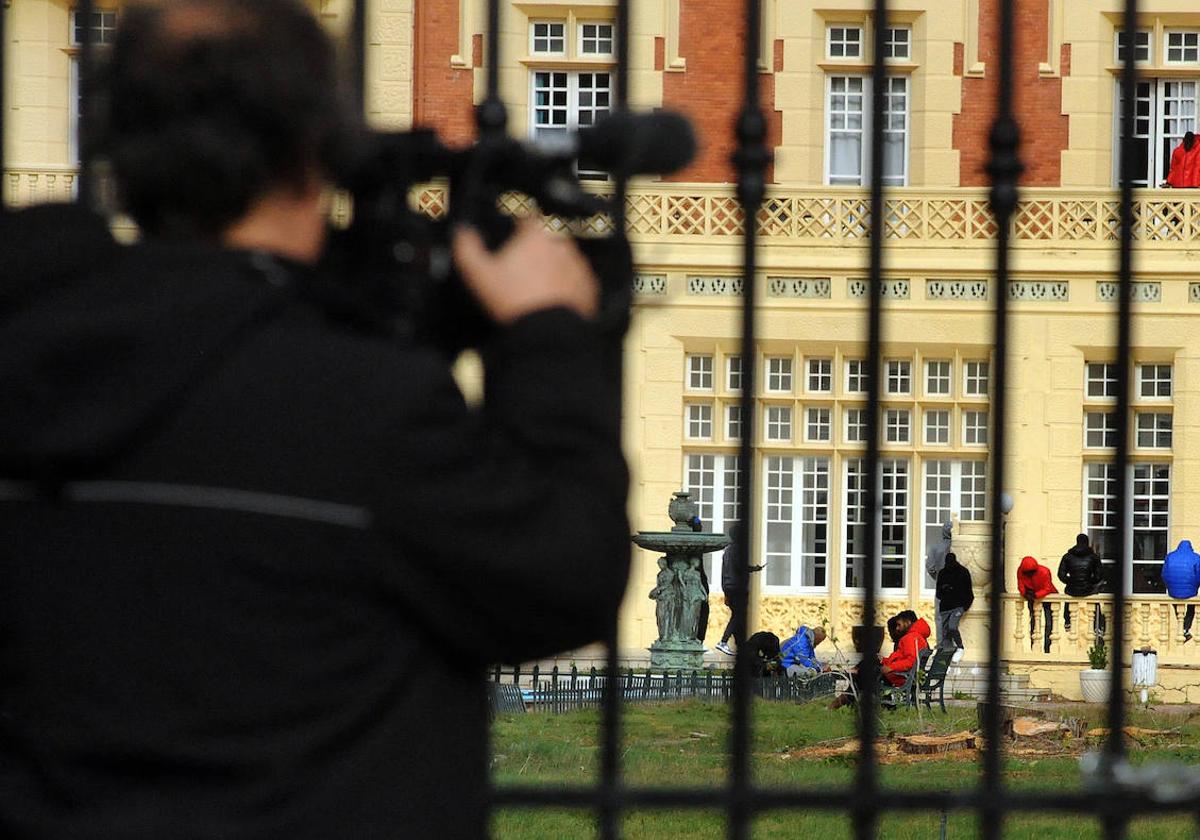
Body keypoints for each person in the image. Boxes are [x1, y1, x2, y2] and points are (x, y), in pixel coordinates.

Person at [0, 2, 630, 838]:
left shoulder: (25, 353)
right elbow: (565, 579)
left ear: (118, 147)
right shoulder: (363, 407)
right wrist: (546, 339)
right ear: (315, 148)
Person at [829, 612, 930, 710]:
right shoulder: (918, 636)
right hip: (905, 674)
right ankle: (851, 682)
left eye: (899, 625)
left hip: (901, 676)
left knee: (863, 673)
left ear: (907, 622)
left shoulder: (910, 638)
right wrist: (885, 660)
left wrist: (891, 667)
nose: (897, 628)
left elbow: (911, 660)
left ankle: (843, 697)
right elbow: (905, 659)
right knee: (871, 662)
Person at [714, 523, 765, 655]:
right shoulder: (737, 549)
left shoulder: (727, 550)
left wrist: (725, 591)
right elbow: (740, 567)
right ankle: (724, 641)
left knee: (737, 617)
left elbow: (724, 572)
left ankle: (739, 646)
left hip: (729, 587)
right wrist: (754, 569)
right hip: (736, 587)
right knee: (738, 615)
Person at [1058, 533, 1107, 638]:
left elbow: (1061, 575)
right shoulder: (1093, 557)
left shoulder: (1067, 557)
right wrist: (1090, 581)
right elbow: (1099, 575)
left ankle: (1067, 621)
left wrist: (1070, 581)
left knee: (1067, 596)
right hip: (1088, 589)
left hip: (1072, 590)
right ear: (1087, 542)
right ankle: (1098, 626)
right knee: (1095, 600)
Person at [935, 552, 974, 663]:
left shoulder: (963, 572)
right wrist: (944, 589)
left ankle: (960, 646)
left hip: (958, 606)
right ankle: (946, 659)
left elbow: (969, 592)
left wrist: (964, 606)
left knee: (952, 626)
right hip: (945, 607)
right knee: (945, 633)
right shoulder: (942, 573)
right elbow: (938, 593)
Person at [1016, 555, 1058, 653]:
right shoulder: (1021, 571)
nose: (1029, 575)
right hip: (1032, 595)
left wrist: (1035, 595)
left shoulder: (1044, 571)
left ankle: (1048, 648)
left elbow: (1047, 588)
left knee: (1049, 624)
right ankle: (1034, 647)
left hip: (1046, 597)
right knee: (1034, 623)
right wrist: (1025, 593)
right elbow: (1020, 584)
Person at [1161, 540, 1200, 642]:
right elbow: (1199, 576)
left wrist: (1169, 586)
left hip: (1173, 591)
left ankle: (1182, 626)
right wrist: (1195, 587)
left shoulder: (1170, 556)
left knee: (1176, 603)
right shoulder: (1196, 557)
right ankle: (1185, 628)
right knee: (1191, 607)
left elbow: (1164, 575)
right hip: (1191, 591)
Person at [926, 519, 953, 617]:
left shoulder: (935, 548)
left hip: (941, 587)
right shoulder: (958, 547)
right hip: (956, 589)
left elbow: (930, 567)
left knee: (940, 619)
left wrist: (937, 577)